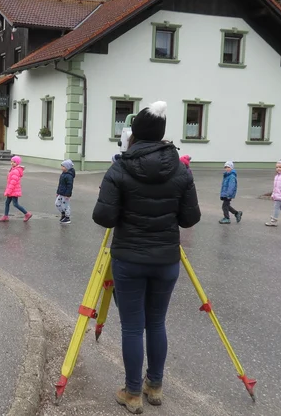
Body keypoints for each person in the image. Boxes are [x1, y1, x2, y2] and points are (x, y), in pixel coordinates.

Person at [92, 101, 200, 414]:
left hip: (129, 260)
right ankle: (155, 386)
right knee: (156, 323)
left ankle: (133, 392)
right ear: (163, 135)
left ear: (134, 135)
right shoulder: (181, 170)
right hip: (166, 261)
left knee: (131, 327)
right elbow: (189, 219)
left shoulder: (120, 168)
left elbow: (104, 217)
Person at [0, 156, 32, 222]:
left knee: (15, 204)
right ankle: (5, 216)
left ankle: (27, 214)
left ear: (17, 163)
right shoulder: (13, 169)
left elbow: (13, 183)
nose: (12, 163)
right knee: (7, 203)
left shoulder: (16, 171)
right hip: (12, 190)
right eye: (11, 161)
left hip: (13, 190)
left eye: (14, 162)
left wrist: (8, 191)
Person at [56, 159, 76, 224]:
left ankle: (67, 218)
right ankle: (63, 214)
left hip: (65, 194)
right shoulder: (63, 174)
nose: (61, 167)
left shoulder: (69, 176)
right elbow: (60, 184)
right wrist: (58, 192)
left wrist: (68, 194)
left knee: (65, 206)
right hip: (61, 193)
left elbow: (70, 186)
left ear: (67, 167)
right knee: (57, 204)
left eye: (63, 166)